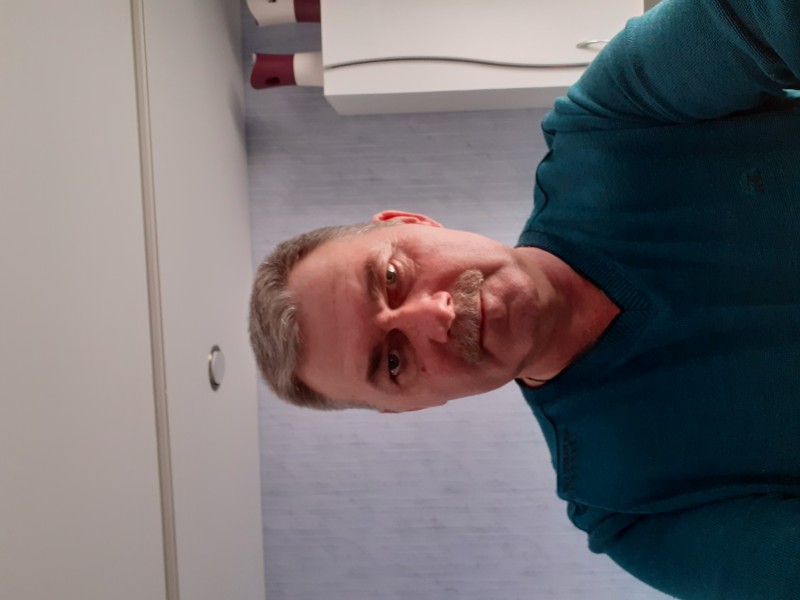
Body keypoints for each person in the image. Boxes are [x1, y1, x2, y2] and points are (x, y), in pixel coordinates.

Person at [248, 0, 800, 598]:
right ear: (410, 407)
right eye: (394, 360)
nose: (436, 315)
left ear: (412, 222)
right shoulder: (630, 509)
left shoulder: (611, 125)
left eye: (391, 277)